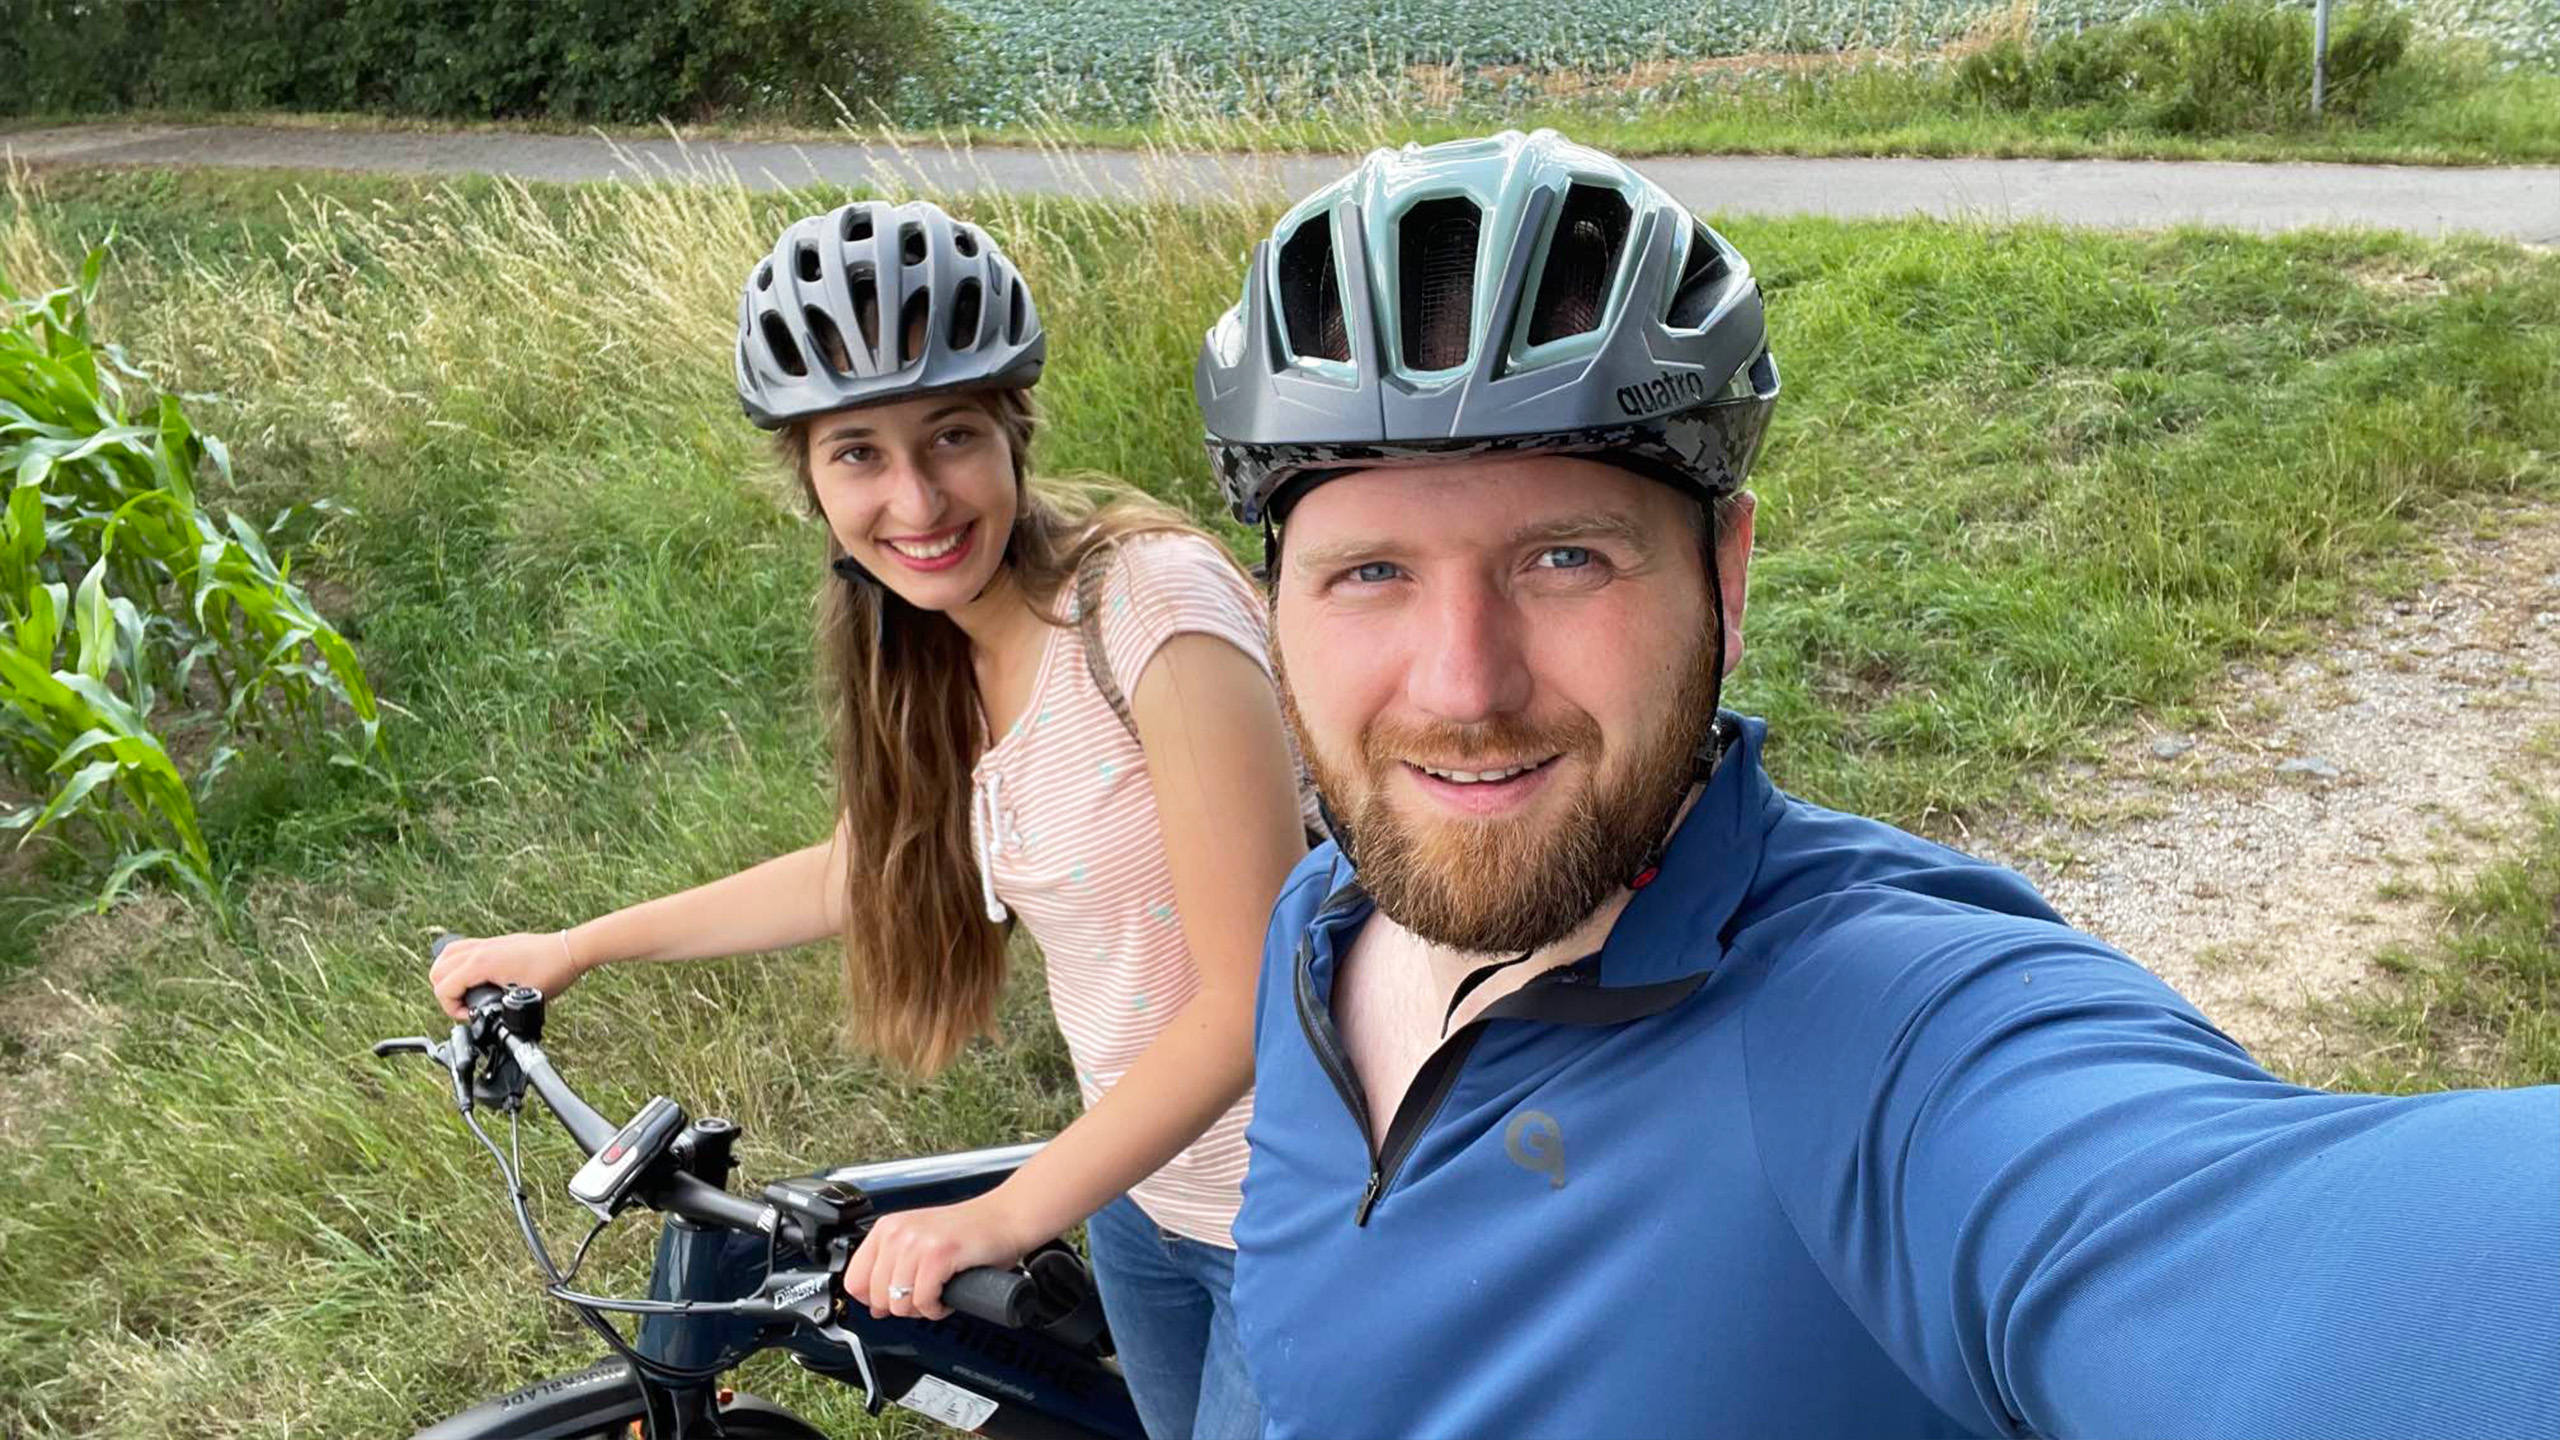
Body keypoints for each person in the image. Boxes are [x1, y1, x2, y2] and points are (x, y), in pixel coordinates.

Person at [1197, 130, 2560, 1440]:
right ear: (1276, 605)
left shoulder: (1873, 1040)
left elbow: (2320, 1276)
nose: (1463, 689)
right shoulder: (1321, 922)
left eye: (1567, 559)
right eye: (1370, 571)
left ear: (1723, 578)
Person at [431, 197, 1306, 1440]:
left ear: (1012, 432)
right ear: (809, 481)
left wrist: (1000, 1216)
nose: (915, 497)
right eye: (858, 453)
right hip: (1145, 1200)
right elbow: (871, 869)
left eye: (949, 435)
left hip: (1300, 1218)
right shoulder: (936, 654)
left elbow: (1251, 1000)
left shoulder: (1145, 612)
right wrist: (574, 947)